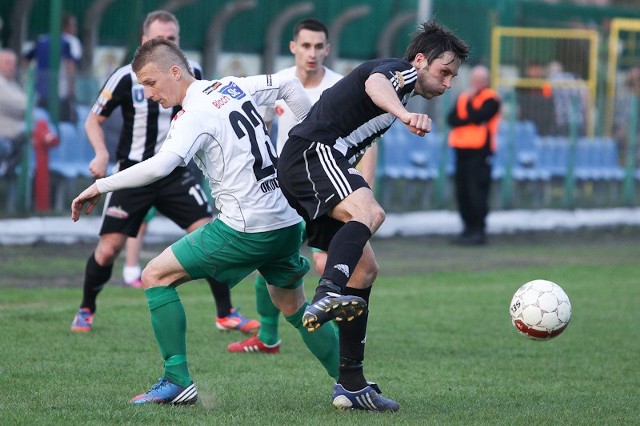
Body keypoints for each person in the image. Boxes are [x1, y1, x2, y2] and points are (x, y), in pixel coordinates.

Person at [71, 37, 340, 405]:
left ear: (175, 72)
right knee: (294, 307)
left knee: (154, 276)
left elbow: (161, 166)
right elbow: (290, 85)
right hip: (286, 222)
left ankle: (176, 379)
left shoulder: (195, 113)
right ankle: (352, 382)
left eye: (151, 83)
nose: (149, 94)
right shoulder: (231, 86)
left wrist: (100, 185)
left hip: (246, 230)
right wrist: (307, 144)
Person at [277, 19, 469, 412]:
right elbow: (373, 85)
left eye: (453, 76)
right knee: (372, 212)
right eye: (444, 71)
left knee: (364, 269)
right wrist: (403, 114)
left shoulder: (405, 86)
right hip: (312, 152)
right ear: (420, 60)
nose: (448, 82)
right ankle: (328, 291)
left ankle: (350, 383)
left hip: (314, 161)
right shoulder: (397, 74)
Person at [70, 10, 259, 334]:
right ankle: (86, 308)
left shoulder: (192, 74)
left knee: (208, 234)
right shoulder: (123, 78)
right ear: (145, 42)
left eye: (172, 38)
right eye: (160, 38)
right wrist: (101, 153)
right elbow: (93, 120)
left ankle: (225, 313)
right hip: (133, 173)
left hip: (175, 174)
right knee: (109, 247)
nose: (167, 43)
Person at [227, 18, 381, 355]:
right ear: (293, 47)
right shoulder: (279, 84)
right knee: (269, 258)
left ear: (327, 48)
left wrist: (363, 190)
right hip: (286, 186)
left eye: (318, 46)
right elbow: (260, 132)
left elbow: (368, 143)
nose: (312, 53)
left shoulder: (340, 87)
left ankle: (343, 341)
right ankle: (268, 338)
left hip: (329, 186)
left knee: (329, 265)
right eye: (305, 45)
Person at [447, 65, 501, 246]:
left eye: (481, 79)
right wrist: (468, 119)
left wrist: (467, 114)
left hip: (480, 153)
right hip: (461, 152)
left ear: (486, 81)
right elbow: (452, 119)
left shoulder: (491, 99)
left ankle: (479, 230)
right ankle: (467, 229)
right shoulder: (463, 97)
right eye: (475, 78)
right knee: (462, 192)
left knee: (477, 191)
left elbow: (478, 116)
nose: (477, 82)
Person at [25, 13, 82, 123]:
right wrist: (72, 86)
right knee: (62, 122)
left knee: (43, 121)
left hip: (41, 90)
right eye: (73, 25)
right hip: (60, 90)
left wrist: (33, 76)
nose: (75, 29)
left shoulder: (42, 40)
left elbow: (26, 58)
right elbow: (70, 64)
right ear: (66, 27)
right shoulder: (71, 41)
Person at [0, 48, 28, 180]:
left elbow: (29, 107)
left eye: (12, 62)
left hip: (13, 136)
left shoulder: (13, 84)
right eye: (6, 62)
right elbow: (25, 105)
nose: (10, 66)